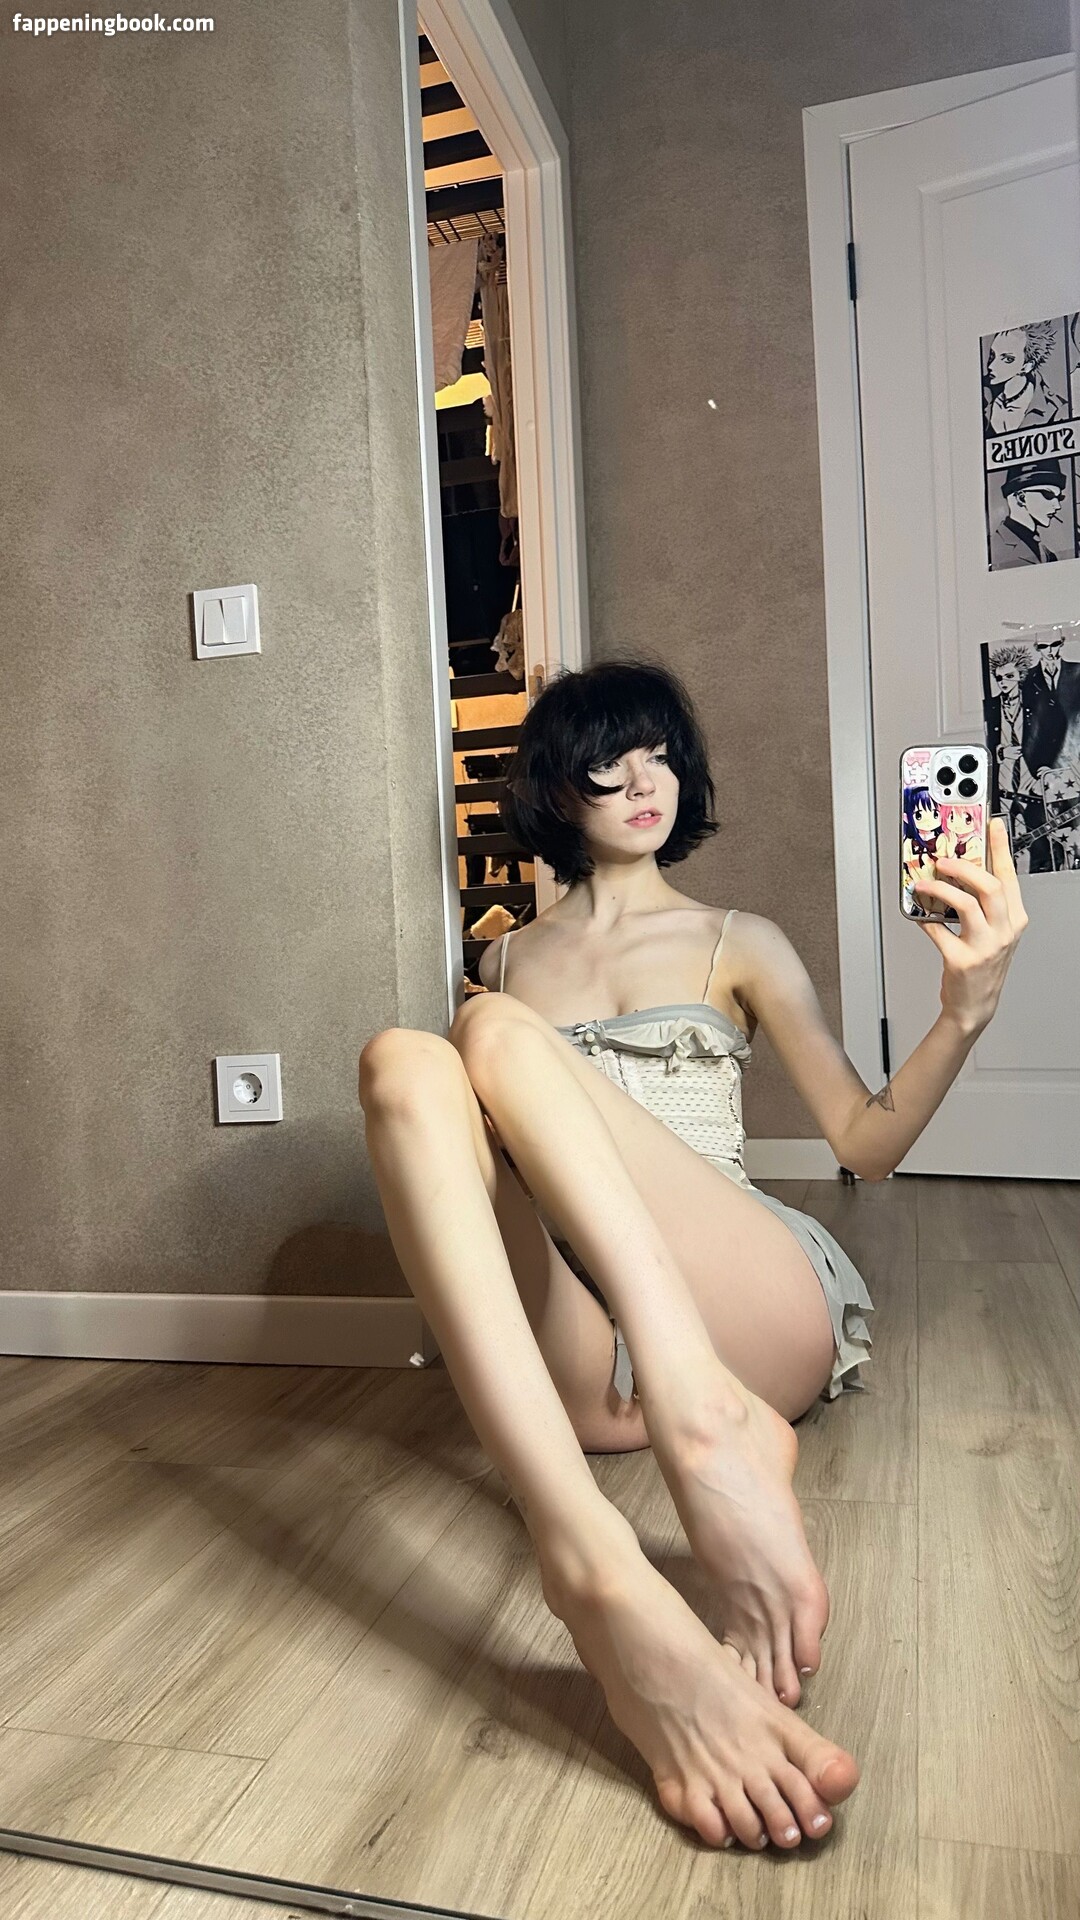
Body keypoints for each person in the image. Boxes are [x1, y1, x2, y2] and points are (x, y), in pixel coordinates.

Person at [358, 658, 1028, 1855]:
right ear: (555, 790)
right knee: (404, 1062)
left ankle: (707, 1412)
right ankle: (596, 1572)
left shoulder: (738, 941)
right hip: (593, 1360)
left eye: (661, 754)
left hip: (744, 1304)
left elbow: (865, 1146)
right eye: (606, 761)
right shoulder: (503, 959)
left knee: (486, 1034)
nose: (642, 782)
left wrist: (963, 1013)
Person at [989, 462, 1068, 567]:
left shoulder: (1048, 554)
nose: (1058, 506)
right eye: (1048, 495)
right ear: (1021, 498)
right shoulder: (994, 549)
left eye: (1059, 498)